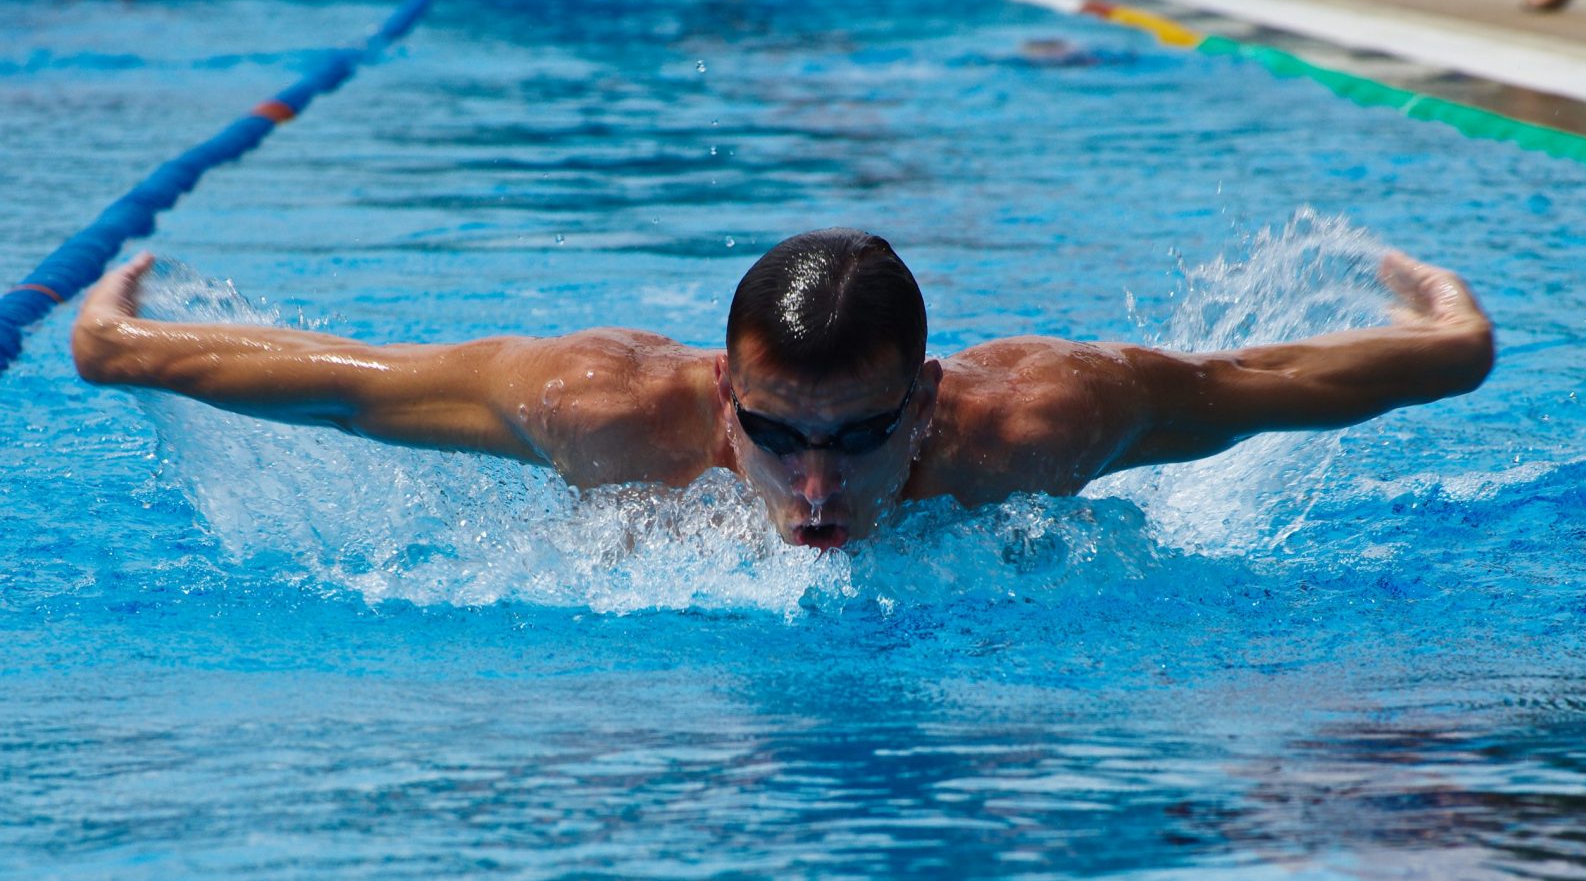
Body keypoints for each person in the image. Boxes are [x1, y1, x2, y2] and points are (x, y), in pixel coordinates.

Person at [72, 228, 1494, 551]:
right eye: (778, 438)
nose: (818, 489)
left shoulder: (1034, 428)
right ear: (718, 391)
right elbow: (356, 385)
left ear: (930, 402)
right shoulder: (608, 409)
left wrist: (1450, 337)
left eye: (864, 438)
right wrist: (120, 345)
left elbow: (1262, 385)